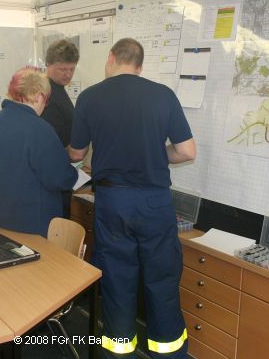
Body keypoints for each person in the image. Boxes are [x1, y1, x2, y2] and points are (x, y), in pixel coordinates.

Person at [69, 38, 196, 358]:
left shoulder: (89, 97)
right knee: (162, 281)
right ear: (140, 66)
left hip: (113, 202)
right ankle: (169, 353)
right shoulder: (163, 95)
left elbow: (77, 152)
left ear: (111, 58)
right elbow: (186, 151)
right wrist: (156, 153)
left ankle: (118, 351)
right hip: (155, 202)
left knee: (117, 280)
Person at [0, 67, 78, 237]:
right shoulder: (41, 130)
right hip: (28, 227)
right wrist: (74, 172)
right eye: (46, 99)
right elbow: (60, 179)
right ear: (38, 95)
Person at [41, 39, 80, 217]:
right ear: (48, 65)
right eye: (63, 69)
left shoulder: (59, 89)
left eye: (71, 69)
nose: (68, 74)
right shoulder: (47, 94)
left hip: (62, 169)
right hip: (53, 175)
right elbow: (48, 143)